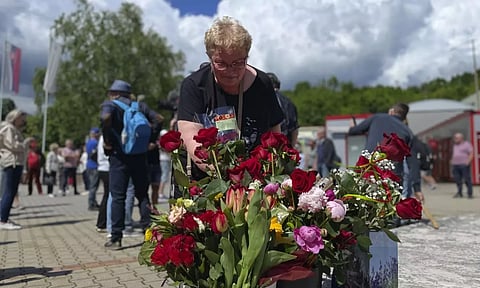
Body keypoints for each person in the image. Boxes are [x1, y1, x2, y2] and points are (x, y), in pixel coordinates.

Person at [177, 16, 284, 178]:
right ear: (209, 57)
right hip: (209, 181)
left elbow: (275, 132)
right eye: (221, 63)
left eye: (238, 63)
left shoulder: (262, 84)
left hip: (255, 178)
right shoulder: (194, 86)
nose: (230, 71)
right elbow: (192, 141)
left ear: (246, 57)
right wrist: (226, 175)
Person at [100, 79, 161, 249]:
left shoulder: (110, 105)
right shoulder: (139, 106)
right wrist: (151, 140)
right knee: (143, 194)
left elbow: (105, 118)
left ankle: (116, 237)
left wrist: (107, 141)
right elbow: (159, 118)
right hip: (140, 155)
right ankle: (149, 234)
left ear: (114, 93)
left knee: (118, 196)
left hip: (119, 156)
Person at [348, 103, 424, 202]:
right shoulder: (408, 132)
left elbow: (354, 131)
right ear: (404, 117)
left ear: (391, 111)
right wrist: (417, 189)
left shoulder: (376, 118)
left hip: (369, 167)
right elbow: (413, 163)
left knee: (366, 201)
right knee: (390, 204)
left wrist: (353, 126)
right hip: (392, 174)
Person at [0, 110, 27, 230]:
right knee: (9, 191)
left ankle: (3, 216)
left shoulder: (12, 129)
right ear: (15, 118)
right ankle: (3, 219)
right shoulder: (9, 128)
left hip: (15, 161)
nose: (23, 121)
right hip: (12, 161)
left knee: (11, 191)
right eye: (22, 118)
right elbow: (11, 144)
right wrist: (23, 145)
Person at [266, 72, 299, 145]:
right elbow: (294, 128)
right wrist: (292, 147)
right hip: (286, 145)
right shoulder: (289, 102)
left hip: (269, 147)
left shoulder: (263, 100)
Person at [450, 132, 473, 198]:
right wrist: (452, 160)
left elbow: (471, 153)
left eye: (456, 138)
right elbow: (455, 154)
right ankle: (459, 193)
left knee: (467, 179)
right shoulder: (455, 145)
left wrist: (468, 161)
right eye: (455, 138)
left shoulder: (467, 144)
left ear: (461, 138)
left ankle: (470, 193)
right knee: (457, 180)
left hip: (464, 165)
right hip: (455, 165)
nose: (455, 139)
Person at [95, 135, 110, 232]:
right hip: (106, 168)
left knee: (108, 195)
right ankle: (102, 222)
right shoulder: (105, 137)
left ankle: (103, 222)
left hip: (103, 168)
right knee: (108, 195)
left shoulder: (102, 137)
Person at [86, 128, 101, 210]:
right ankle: (91, 203)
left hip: (89, 165)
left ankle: (93, 202)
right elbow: (94, 154)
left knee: (92, 185)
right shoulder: (95, 143)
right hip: (94, 166)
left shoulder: (88, 142)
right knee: (93, 186)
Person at [158, 129, 172, 199]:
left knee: (165, 176)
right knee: (164, 176)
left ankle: (160, 193)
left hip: (165, 159)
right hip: (164, 160)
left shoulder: (161, 142)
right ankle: (160, 193)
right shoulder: (162, 142)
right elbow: (166, 151)